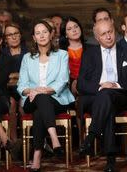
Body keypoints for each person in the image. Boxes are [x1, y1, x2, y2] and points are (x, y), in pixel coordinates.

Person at [78, 20, 127, 172]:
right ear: (97, 38)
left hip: (120, 96)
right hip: (96, 97)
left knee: (108, 98)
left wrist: (116, 86)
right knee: (106, 103)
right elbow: (81, 84)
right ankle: (110, 160)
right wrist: (100, 86)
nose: (108, 36)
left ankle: (91, 137)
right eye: (103, 34)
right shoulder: (89, 54)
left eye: (110, 32)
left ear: (115, 31)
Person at [17, 20, 75, 171]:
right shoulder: (27, 58)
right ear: (34, 38)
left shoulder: (62, 55)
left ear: (51, 35)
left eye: (45, 32)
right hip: (30, 99)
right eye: (38, 33)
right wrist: (32, 92)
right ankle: (54, 139)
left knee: (39, 110)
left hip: (57, 99)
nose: (42, 35)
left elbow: (62, 81)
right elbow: (21, 86)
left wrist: (39, 91)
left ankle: (37, 156)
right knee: (40, 100)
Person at [0, 24, 20, 159]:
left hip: (2, 98)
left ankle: (4, 141)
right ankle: (6, 140)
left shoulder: (7, 59)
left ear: (1, 40)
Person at [2, 22, 28, 141]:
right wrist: (16, 76)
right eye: (9, 35)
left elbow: (31, 76)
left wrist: (13, 76)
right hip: (6, 91)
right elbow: (1, 78)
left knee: (24, 102)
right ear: (5, 39)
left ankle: (27, 140)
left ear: (20, 35)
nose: (13, 37)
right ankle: (14, 142)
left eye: (16, 33)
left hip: (26, 89)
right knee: (12, 103)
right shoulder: (1, 54)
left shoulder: (29, 52)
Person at [59, 16, 87, 96]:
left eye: (76, 27)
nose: (74, 30)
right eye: (69, 29)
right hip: (67, 85)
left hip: (87, 82)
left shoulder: (91, 48)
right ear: (65, 34)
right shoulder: (60, 52)